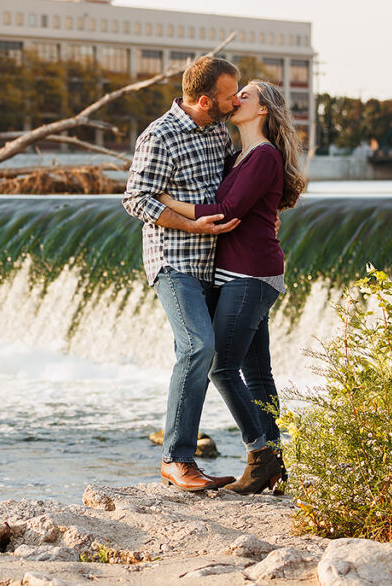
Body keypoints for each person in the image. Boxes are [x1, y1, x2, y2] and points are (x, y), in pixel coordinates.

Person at [156, 79, 307, 494]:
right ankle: (274, 461)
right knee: (257, 373)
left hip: (250, 275)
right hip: (244, 273)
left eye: (247, 95)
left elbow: (225, 211)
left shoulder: (263, 156)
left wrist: (168, 203)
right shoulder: (239, 155)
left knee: (222, 365)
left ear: (262, 110)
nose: (237, 99)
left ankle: (261, 454)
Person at [122, 56, 242, 492]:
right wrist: (189, 223)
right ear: (206, 99)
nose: (235, 102)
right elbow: (136, 200)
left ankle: (258, 454)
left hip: (216, 262)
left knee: (210, 357)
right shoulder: (160, 135)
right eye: (229, 96)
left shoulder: (219, 130)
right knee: (198, 347)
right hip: (174, 260)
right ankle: (176, 459)